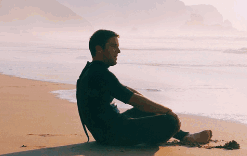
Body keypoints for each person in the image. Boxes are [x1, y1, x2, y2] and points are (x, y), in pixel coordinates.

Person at [76, 29, 212, 146]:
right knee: (170, 121)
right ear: (99, 49)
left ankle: (185, 136)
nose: (118, 51)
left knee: (147, 108)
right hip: (111, 135)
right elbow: (133, 99)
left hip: (106, 131)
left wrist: (151, 107)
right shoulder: (101, 74)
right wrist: (169, 111)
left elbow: (127, 91)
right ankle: (179, 135)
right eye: (113, 46)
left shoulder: (91, 70)